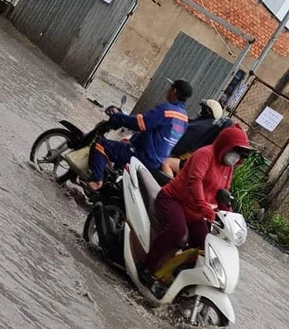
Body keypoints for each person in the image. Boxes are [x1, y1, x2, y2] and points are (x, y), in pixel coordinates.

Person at [141, 124, 251, 287]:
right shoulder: (204, 154)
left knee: (204, 246)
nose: (235, 157)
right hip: (173, 200)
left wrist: (227, 216)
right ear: (225, 145)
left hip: (195, 212)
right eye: (234, 151)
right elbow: (195, 181)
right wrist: (203, 206)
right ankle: (147, 268)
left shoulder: (227, 168)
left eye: (238, 154)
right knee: (177, 233)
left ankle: (178, 280)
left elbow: (223, 192)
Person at [86, 80, 192, 192]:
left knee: (101, 145)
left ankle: (97, 181)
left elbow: (140, 123)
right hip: (157, 160)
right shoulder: (184, 118)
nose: (167, 90)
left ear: (174, 91)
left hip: (142, 154)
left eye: (170, 88)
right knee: (123, 145)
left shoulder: (167, 109)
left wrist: (118, 116)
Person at [160, 99, 232, 178]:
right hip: (187, 160)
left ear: (207, 111)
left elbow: (178, 145)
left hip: (177, 157)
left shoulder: (199, 128)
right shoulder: (207, 128)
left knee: (166, 162)